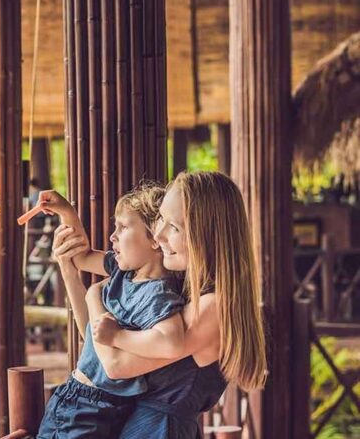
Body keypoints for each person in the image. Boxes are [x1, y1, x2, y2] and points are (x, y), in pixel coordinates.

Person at [54, 171, 267, 438]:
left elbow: (115, 364)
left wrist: (94, 295)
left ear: (207, 235)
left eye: (174, 227)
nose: (159, 234)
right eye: (161, 220)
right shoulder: (184, 288)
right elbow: (96, 346)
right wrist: (70, 271)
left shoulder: (213, 307)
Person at [36, 183, 186, 438]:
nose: (112, 236)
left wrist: (116, 334)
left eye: (123, 227)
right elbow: (80, 257)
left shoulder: (158, 295)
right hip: (78, 396)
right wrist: (66, 212)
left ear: (154, 238)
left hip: (91, 407)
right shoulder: (123, 272)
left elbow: (171, 337)